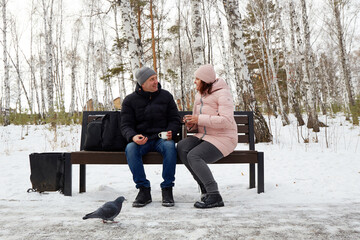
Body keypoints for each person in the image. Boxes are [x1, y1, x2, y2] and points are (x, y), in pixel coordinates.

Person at [177, 64, 238, 209]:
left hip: (224, 137)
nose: (195, 81)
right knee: (182, 147)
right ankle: (204, 188)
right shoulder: (199, 95)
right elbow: (199, 120)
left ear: (204, 80)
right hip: (205, 135)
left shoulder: (223, 94)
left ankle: (214, 194)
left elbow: (226, 121)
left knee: (194, 156)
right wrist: (192, 124)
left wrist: (199, 119)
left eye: (197, 79)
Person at [120, 66, 181, 208]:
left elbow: (175, 119)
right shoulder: (129, 100)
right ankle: (143, 190)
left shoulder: (166, 96)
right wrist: (133, 137)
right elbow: (125, 125)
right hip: (142, 140)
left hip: (161, 139)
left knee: (169, 146)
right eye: (151, 79)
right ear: (142, 84)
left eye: (156, 78)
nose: (156, 82)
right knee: (130, 148)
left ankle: (167, 189)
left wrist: (171, 131)